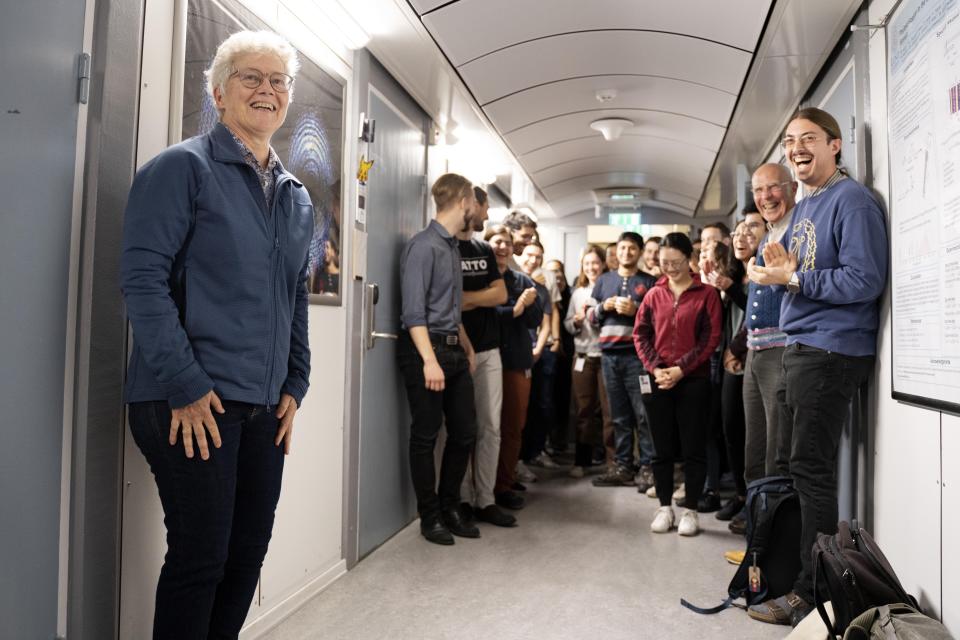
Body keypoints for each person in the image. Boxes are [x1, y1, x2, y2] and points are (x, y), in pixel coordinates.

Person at [119, 30, 312, 638]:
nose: (267, 90)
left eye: (278, 80)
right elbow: (142, 281)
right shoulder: (183, 168)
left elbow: (293, 294)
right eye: (251, 78)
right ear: (219, 92)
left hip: (260, 405)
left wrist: (295, 381)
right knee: (201, 560)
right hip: (188, 400)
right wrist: (183, 382)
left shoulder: (294, 194)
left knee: (244, 557)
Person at [746, 107, 887, 626]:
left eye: (808, 138)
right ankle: (795, 576)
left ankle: (814, 595)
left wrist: (795, 282)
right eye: (789, 140)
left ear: (836, 145)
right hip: (800, 348)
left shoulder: (852, 202)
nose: (796, 147)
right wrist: (776, 272)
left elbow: (864, 280)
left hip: (831, 352)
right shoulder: (807, 205)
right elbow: (792, 271)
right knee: (793, 466)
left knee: (811, 470)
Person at [398, 172, 480, 546]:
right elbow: (414, 314)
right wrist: (430, 361)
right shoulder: (423, 246)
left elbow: (450, 309)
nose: (477, 209)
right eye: (475, 203)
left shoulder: (452, 248)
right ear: (464, 201)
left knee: (464, 432)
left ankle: (450, 507)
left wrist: (466, 345)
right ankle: (429, 516)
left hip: (452, 349)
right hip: (425, 350)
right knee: (425, 436)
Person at [633, 233, 722, 536]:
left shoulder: (706, 294)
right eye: (663, 263)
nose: (669, 268)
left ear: (689, 260)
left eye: (676, 262)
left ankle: (691, 510)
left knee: (694, 447)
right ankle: (664, 507)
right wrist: (656, 368)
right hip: (658, 380)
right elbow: (640, 335)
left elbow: (710, 338)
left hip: (692, 380)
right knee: (662, 449)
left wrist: (681, 369)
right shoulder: (653, 294)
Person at [456, 186, 515, 527]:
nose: (488, 214)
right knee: (461, 428)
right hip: (457, 350)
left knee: (491, 428)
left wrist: (469, 297)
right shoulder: (446, 246)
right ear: (471, 204)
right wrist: (483, 295)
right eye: (486, 206)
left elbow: (501, 293)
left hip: (490, 350)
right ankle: (462, 497)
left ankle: (486, 499)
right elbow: (450, 300)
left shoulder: (484, 249)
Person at [587, 232, 658, 489]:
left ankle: (648, 467)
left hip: (638, 359)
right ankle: (623, 465)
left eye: (632, 248)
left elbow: (659, 321)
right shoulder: (604, 281)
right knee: (618, 415)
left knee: (643, 414)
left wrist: (636, 310)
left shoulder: (650, 282)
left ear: (639, 252)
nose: (626, 252)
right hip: (609, 357)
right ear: (616, 251)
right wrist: (603, 307)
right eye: (622, 247)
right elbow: (591, 319)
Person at [742, 163, 797, 489]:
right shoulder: (769, 235)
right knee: (755, 444)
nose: (766, 197)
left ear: (791, 188)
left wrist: (783, 277)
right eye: (759, 190)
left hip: (780, 350)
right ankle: (756, 524)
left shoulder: (799, 229)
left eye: (773, 187)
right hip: (754, 350)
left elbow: (796, 288)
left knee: (777, 449)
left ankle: (774, 531)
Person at [485, 225, 543, 511]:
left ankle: (503, 485)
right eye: (497, 241)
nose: (503, 247)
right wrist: (515, 308)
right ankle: (481, 487)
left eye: (507, 242)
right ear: (486, 244)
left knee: (512, 429)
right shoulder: (479, 277)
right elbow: (484, 316)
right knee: (485, 427)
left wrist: (523, 307)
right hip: (486, 357)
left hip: (516, 362)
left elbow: (534, 319)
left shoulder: (521, 279)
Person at [564, 246, 615, 477]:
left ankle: (613, 463)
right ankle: (581, 461)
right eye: (587, 264)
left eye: (595, 263)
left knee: (609, 412)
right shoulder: (577, 293)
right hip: (582, 357)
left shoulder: (610, 288)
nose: (591, 267)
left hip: (606, 356)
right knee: (583, 411)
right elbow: (567, 324)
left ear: (603, 264)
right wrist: (575, 322)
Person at [518, 241, 560, 470]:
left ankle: (534, 452)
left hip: (536, 352)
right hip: (514, 353)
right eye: (529, 255)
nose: (533, 261)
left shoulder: (541, 288)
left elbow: (545, 324)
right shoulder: (510, 281)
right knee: (518, 409)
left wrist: (538, 349)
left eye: (538, 257)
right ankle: (518, 459)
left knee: (541, 404)